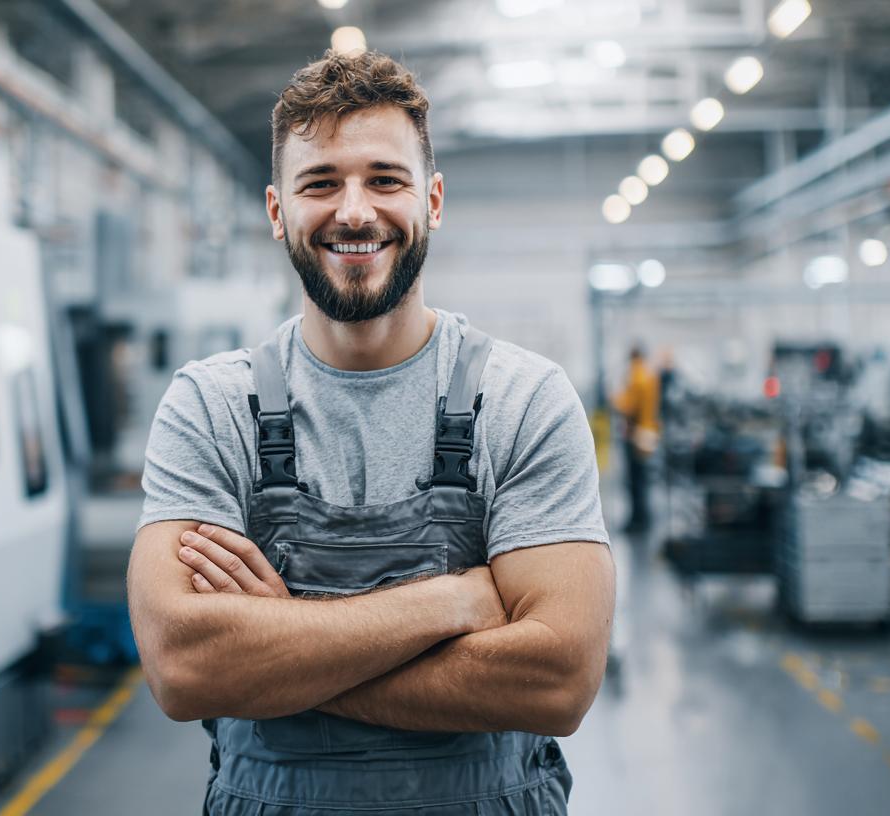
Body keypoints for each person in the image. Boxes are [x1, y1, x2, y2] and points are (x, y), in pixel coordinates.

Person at [128, 50, 614, 815]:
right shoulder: (211, 405)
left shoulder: (524, 400)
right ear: (277, 210)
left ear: (434, 200)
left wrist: (281, 647)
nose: (355, 211)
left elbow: (559, 682)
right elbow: (187, 670)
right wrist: (450, 604)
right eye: (320, 182)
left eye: (385, 179)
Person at [613, 345, 660, 532]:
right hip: (649, 430)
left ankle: (637, 521)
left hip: (636, 435)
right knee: (643, 478)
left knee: (635, 479)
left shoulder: (636, 374)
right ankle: (645, 518)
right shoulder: (649, 374)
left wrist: (614, 399)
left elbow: (628, 405)